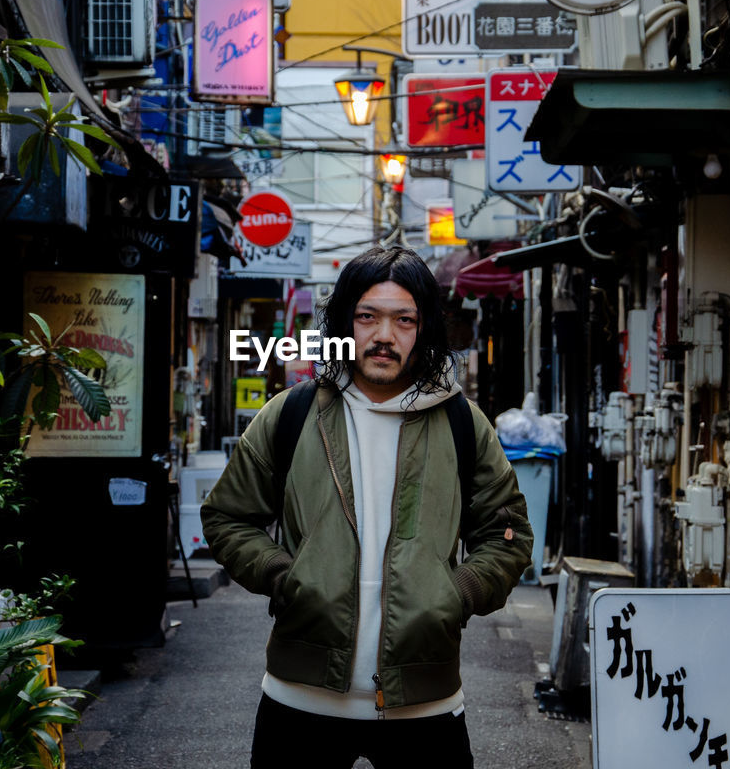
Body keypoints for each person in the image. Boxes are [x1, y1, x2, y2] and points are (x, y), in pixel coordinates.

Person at [201, 245, 533, 768]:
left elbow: (507, 534)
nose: (384, 336)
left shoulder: (463, 424)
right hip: (299, 700)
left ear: (423, 329)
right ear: (343, 325)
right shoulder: (291, 415)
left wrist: (456, 593)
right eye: (367, 317)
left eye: (404, 319)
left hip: (427, 707)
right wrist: (286, 576)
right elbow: (227, 516)